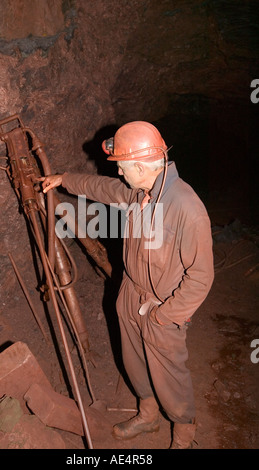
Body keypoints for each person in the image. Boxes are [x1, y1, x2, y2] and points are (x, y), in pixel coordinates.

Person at [41, 121, 214, 449]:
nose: (119, 173)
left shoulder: (186, 208)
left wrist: (165, 315)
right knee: (134, 362)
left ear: (139, 165)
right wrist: (64, 180)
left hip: (163, 305)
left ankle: (183, 437)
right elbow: (102, 188)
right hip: (131, 294)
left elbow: (201, 277)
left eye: (121, 166)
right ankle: (148, 416)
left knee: (170, 375)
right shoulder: (142, 192)